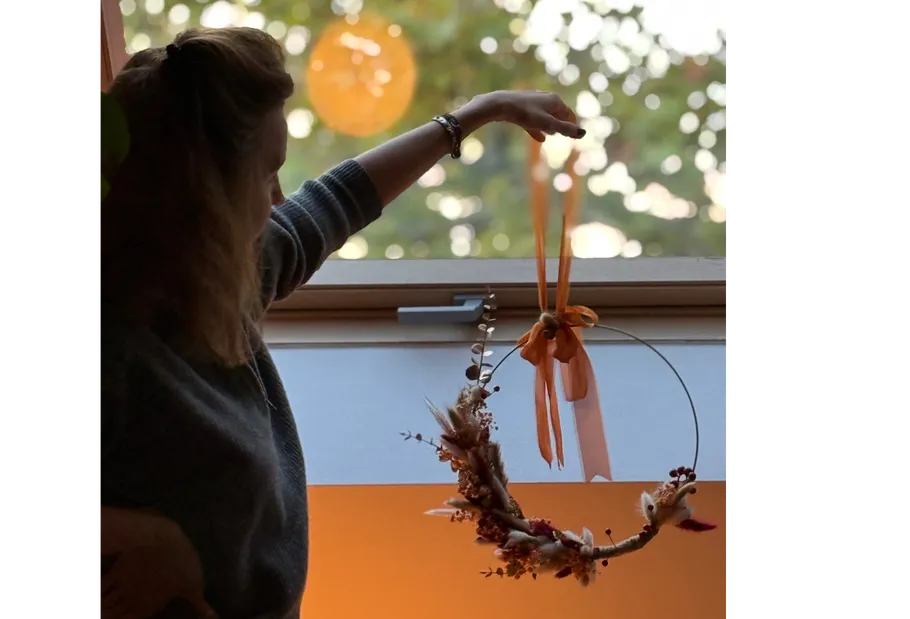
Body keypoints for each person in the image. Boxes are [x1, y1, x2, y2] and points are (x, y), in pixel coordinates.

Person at [98, 26, 584, 619]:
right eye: (264, 173)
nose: (278, 198)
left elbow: (332, 204)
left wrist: (477, 115)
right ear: (203, 193)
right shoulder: (119, 345)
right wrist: (145, 540)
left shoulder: (213, 281)